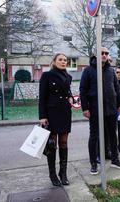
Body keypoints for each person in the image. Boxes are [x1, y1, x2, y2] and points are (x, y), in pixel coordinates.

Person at [80, 47, 120, 175]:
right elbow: (83, 90)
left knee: (113, 134)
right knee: (94, 136)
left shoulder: (111, 71)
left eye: (106, 53)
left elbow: (116, 89)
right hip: (95, 109)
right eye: (102, 53)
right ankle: (94, 163)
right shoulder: (88, 71)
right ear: (95, 55)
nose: (104, 55)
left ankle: (115, 159)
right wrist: (85, 108)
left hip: (111, 108)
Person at [39, 53, 73, 186]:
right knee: (52, 145)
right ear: (54, 61)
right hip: (52, 113)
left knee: (64, 142)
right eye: (60, 60)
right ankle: (53, 175)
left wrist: (70, 97)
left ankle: (63, 173)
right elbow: (42, 97)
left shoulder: (68, 77)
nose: (63, 62)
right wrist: (42, 116)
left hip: (65, 112)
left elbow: (67, 92)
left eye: (65, 60)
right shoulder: (47, 76)